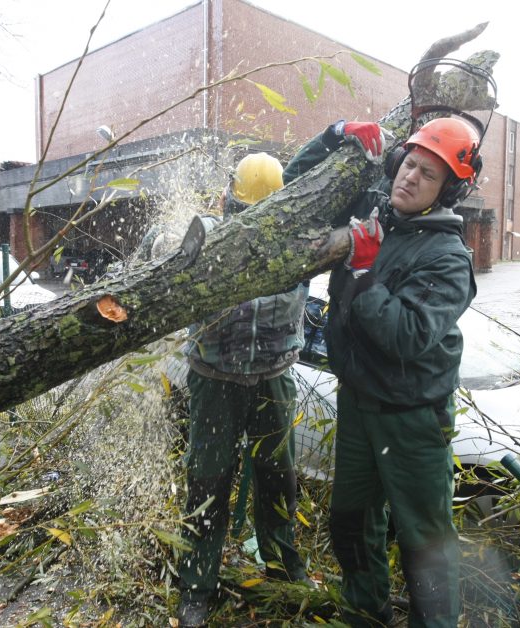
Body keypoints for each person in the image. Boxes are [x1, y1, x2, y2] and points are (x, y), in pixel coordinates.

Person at [285, 117, 480, 626]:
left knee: (424, 543)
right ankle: (365, 615)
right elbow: (294, 187)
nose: (410, 178)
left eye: (428, 175)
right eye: (409, 164)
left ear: (448, 192)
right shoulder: (375, 207)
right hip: (358, 402)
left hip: (411, 415)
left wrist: (368, 275)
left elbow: (407, 336)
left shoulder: (447, 259)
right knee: (350, 523)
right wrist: (333, 133)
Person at [176, 152, 312, 627]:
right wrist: (171, 245)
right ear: (228, 200)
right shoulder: (212, 234)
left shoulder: (297, 240)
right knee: (208, 481)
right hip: (215, 380)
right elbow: (167, 246)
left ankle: (282, 566)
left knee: (278, 478)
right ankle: (196, 584)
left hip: (273, 377)